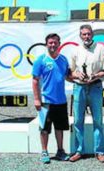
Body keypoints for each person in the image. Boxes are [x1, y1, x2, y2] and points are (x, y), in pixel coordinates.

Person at [69, 24, 104, 163]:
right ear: (80, 36)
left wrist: (95, 76)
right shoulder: (75, 50)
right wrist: (77, 74)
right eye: (84, 34)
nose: (86, 36)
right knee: (78, 120)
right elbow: (70, 73)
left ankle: (99, 151)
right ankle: (79, 150)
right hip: (79, 88)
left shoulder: (100, 48)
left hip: (95, 87)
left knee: (98, 120)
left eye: (88, 34)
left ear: (92, 34)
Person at [32, 33, 71, 164]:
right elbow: (35, 81)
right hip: (45, 101)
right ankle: (44, 151)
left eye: (55, 42)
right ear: (46, 44)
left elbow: (68, 76)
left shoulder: (64, 60)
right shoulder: (40, 60)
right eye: (50, 43)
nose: (53, 45)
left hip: (61, 100)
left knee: (59, 128)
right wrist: (37, 99)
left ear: (59, 44)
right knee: (44, 129)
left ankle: (60, 150)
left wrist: (79, 77)